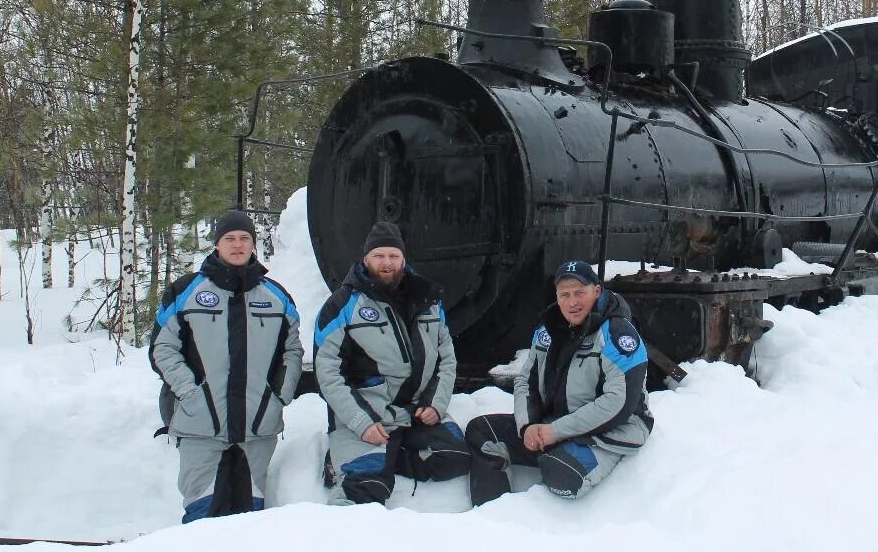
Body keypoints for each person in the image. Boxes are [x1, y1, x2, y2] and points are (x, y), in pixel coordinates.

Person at [149, 210, 303, 523]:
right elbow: (162, 349)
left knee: (250, 521)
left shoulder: (276, 297)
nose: (237, 244)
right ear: (217, 244)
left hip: (257, 428)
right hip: (201, 428)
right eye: (229, 238)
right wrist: (192, 394)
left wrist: (278, 397)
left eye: (244, 238)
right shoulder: (185, 292)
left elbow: (292, 351)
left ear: (253, 244)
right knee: (203, 520)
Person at [465, 260, 653, 504]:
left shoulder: (617, 334)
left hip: (609, 430)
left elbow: (618, 404)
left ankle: (547, 523)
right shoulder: (548, 330)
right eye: (565, 294)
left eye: (579, 293)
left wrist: (555, 431)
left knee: (562, 473)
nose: (572, 302)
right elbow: (526, 380)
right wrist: (528, 426)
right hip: (554, 424)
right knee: (482, 433)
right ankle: (491, 515)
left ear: (596, 292)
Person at [313, 221, 470, 505]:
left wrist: (436, 403)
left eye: (393, 256)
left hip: (414, 414)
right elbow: (328, 373)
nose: (387, 263)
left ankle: (387, 456)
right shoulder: (342, 306)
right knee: (365, 489)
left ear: (403, 260)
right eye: (379, 256)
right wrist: (361, 422)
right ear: (366, 259)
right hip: (365, 417)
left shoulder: (428, 300)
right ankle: (352, 461)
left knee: (454, 458)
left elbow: (447, 358)